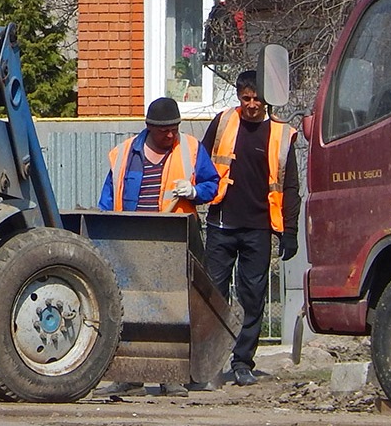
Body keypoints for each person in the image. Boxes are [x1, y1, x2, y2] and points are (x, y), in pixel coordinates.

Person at [98, 96, 220, 397]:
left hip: (175, 241)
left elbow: (212, 184)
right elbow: (107, 198)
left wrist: (194, 191)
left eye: (175, 129)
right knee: (127, 307)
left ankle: (171, 376)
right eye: (165, 130)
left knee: (174, 309)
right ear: (149, 127)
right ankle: (129, 376)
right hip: (131, 241)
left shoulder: (191, 149)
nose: (171, 135)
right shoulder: (125, 154)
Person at [202, 70, 300, 387]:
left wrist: (290, 232)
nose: (252, 105)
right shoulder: (222, 123)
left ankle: (243, 361)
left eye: (258, 98)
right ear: (238, 97)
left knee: (253, 297)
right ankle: (207, 364)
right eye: (247, 98)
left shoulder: (282, 135)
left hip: (259, 227)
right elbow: (201, 165)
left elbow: (291, 189)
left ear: (266, 100)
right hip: (221, 224)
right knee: (212, 296)